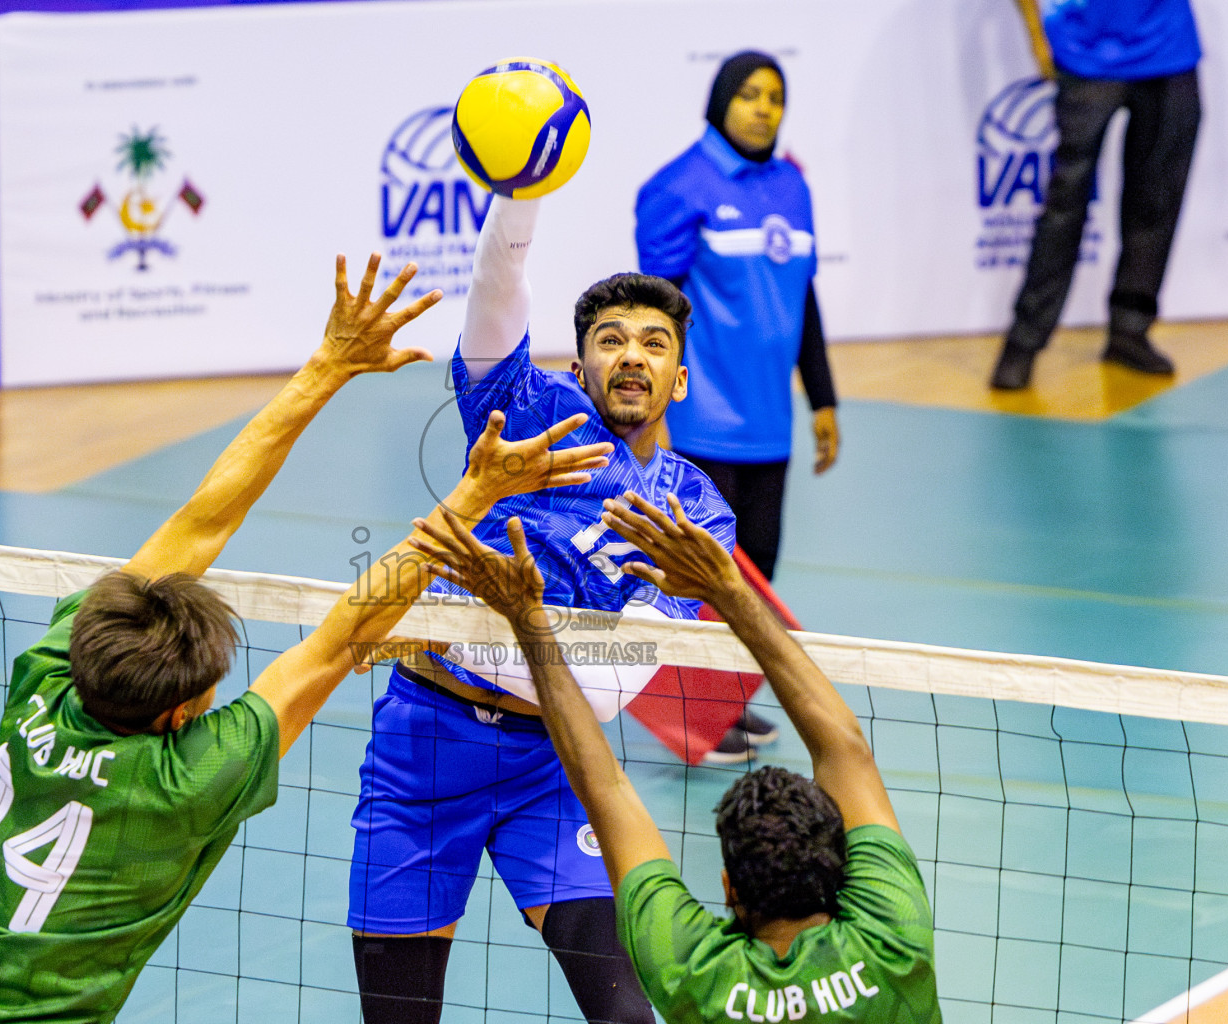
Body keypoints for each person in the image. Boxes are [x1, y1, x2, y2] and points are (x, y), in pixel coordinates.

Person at [0, 253, 615, 1024]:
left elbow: (203, 522)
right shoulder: (190, 779)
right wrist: (478, 492)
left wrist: (328, 365)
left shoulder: (49, 672)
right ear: (179, 717)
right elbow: (345, 638)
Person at [348, 195, 736, 1024]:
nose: (632, 357)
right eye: (611, 340)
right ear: (579, 364)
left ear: (681, 377)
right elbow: (496, 287)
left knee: (629, 1015)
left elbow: (610, 690)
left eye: (654, 344)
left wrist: (452, 632)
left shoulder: (698, 512)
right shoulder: (525, 409)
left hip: (554, 769)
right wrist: (520, 189)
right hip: (424, 748)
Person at [409, 492, 941, 1024]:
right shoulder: (893, 934)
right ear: (845, 869)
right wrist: (728, 589)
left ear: (729, 888)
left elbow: (604, 787)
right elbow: (847, 750)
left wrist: (527, 620)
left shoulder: (697, 972)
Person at [636, 50, 840, 756]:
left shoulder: (792, 185)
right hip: (700, 422)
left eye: (775, 97)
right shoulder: (677, 187)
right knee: (702, 577)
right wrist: (649, 409)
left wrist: (824, 398)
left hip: (768, 424)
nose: (763, 108)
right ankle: (689, 713)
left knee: (758, 571)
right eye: (749, 95)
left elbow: (804, 297)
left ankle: (719, 703)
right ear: (721, 100)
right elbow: (653, 314)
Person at [987, 0, 1228, 389]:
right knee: (1065, 207)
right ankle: (1024, 341)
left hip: (1170, 52)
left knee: (1156, 202)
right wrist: (1036, 37)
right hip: (1085, 55)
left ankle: (1130, 331)